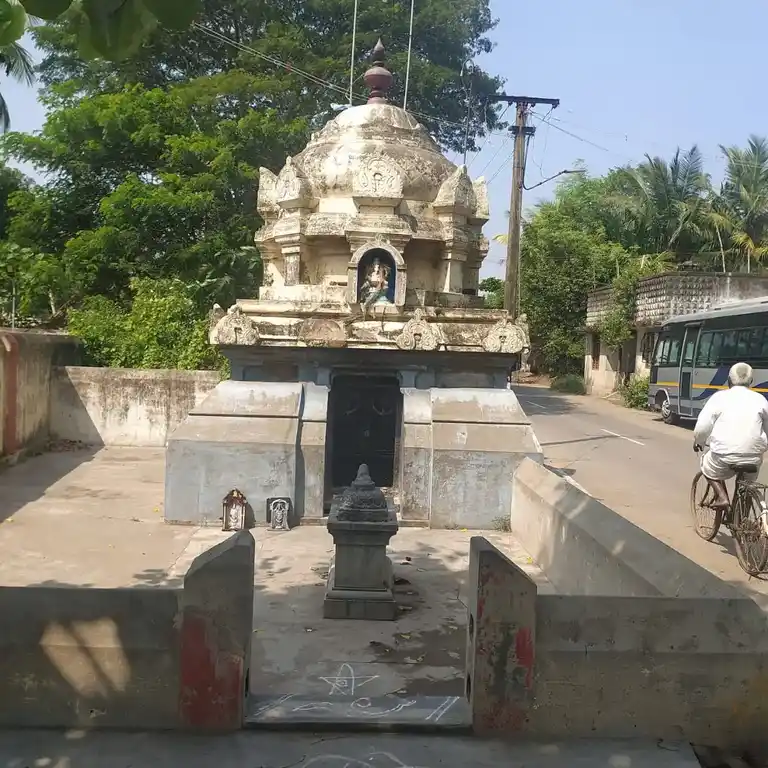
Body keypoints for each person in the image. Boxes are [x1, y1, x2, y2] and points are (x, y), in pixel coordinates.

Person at [693, 362, 768, 509]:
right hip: (753, 457)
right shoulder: (761, 400)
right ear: (751, 382)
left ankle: (722, 497)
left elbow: (702, 429)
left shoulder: (718, 398)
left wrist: (699, 442)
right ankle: (743, 525)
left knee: (706, 466)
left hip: (723, 457)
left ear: (728, 381)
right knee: (747, 486)